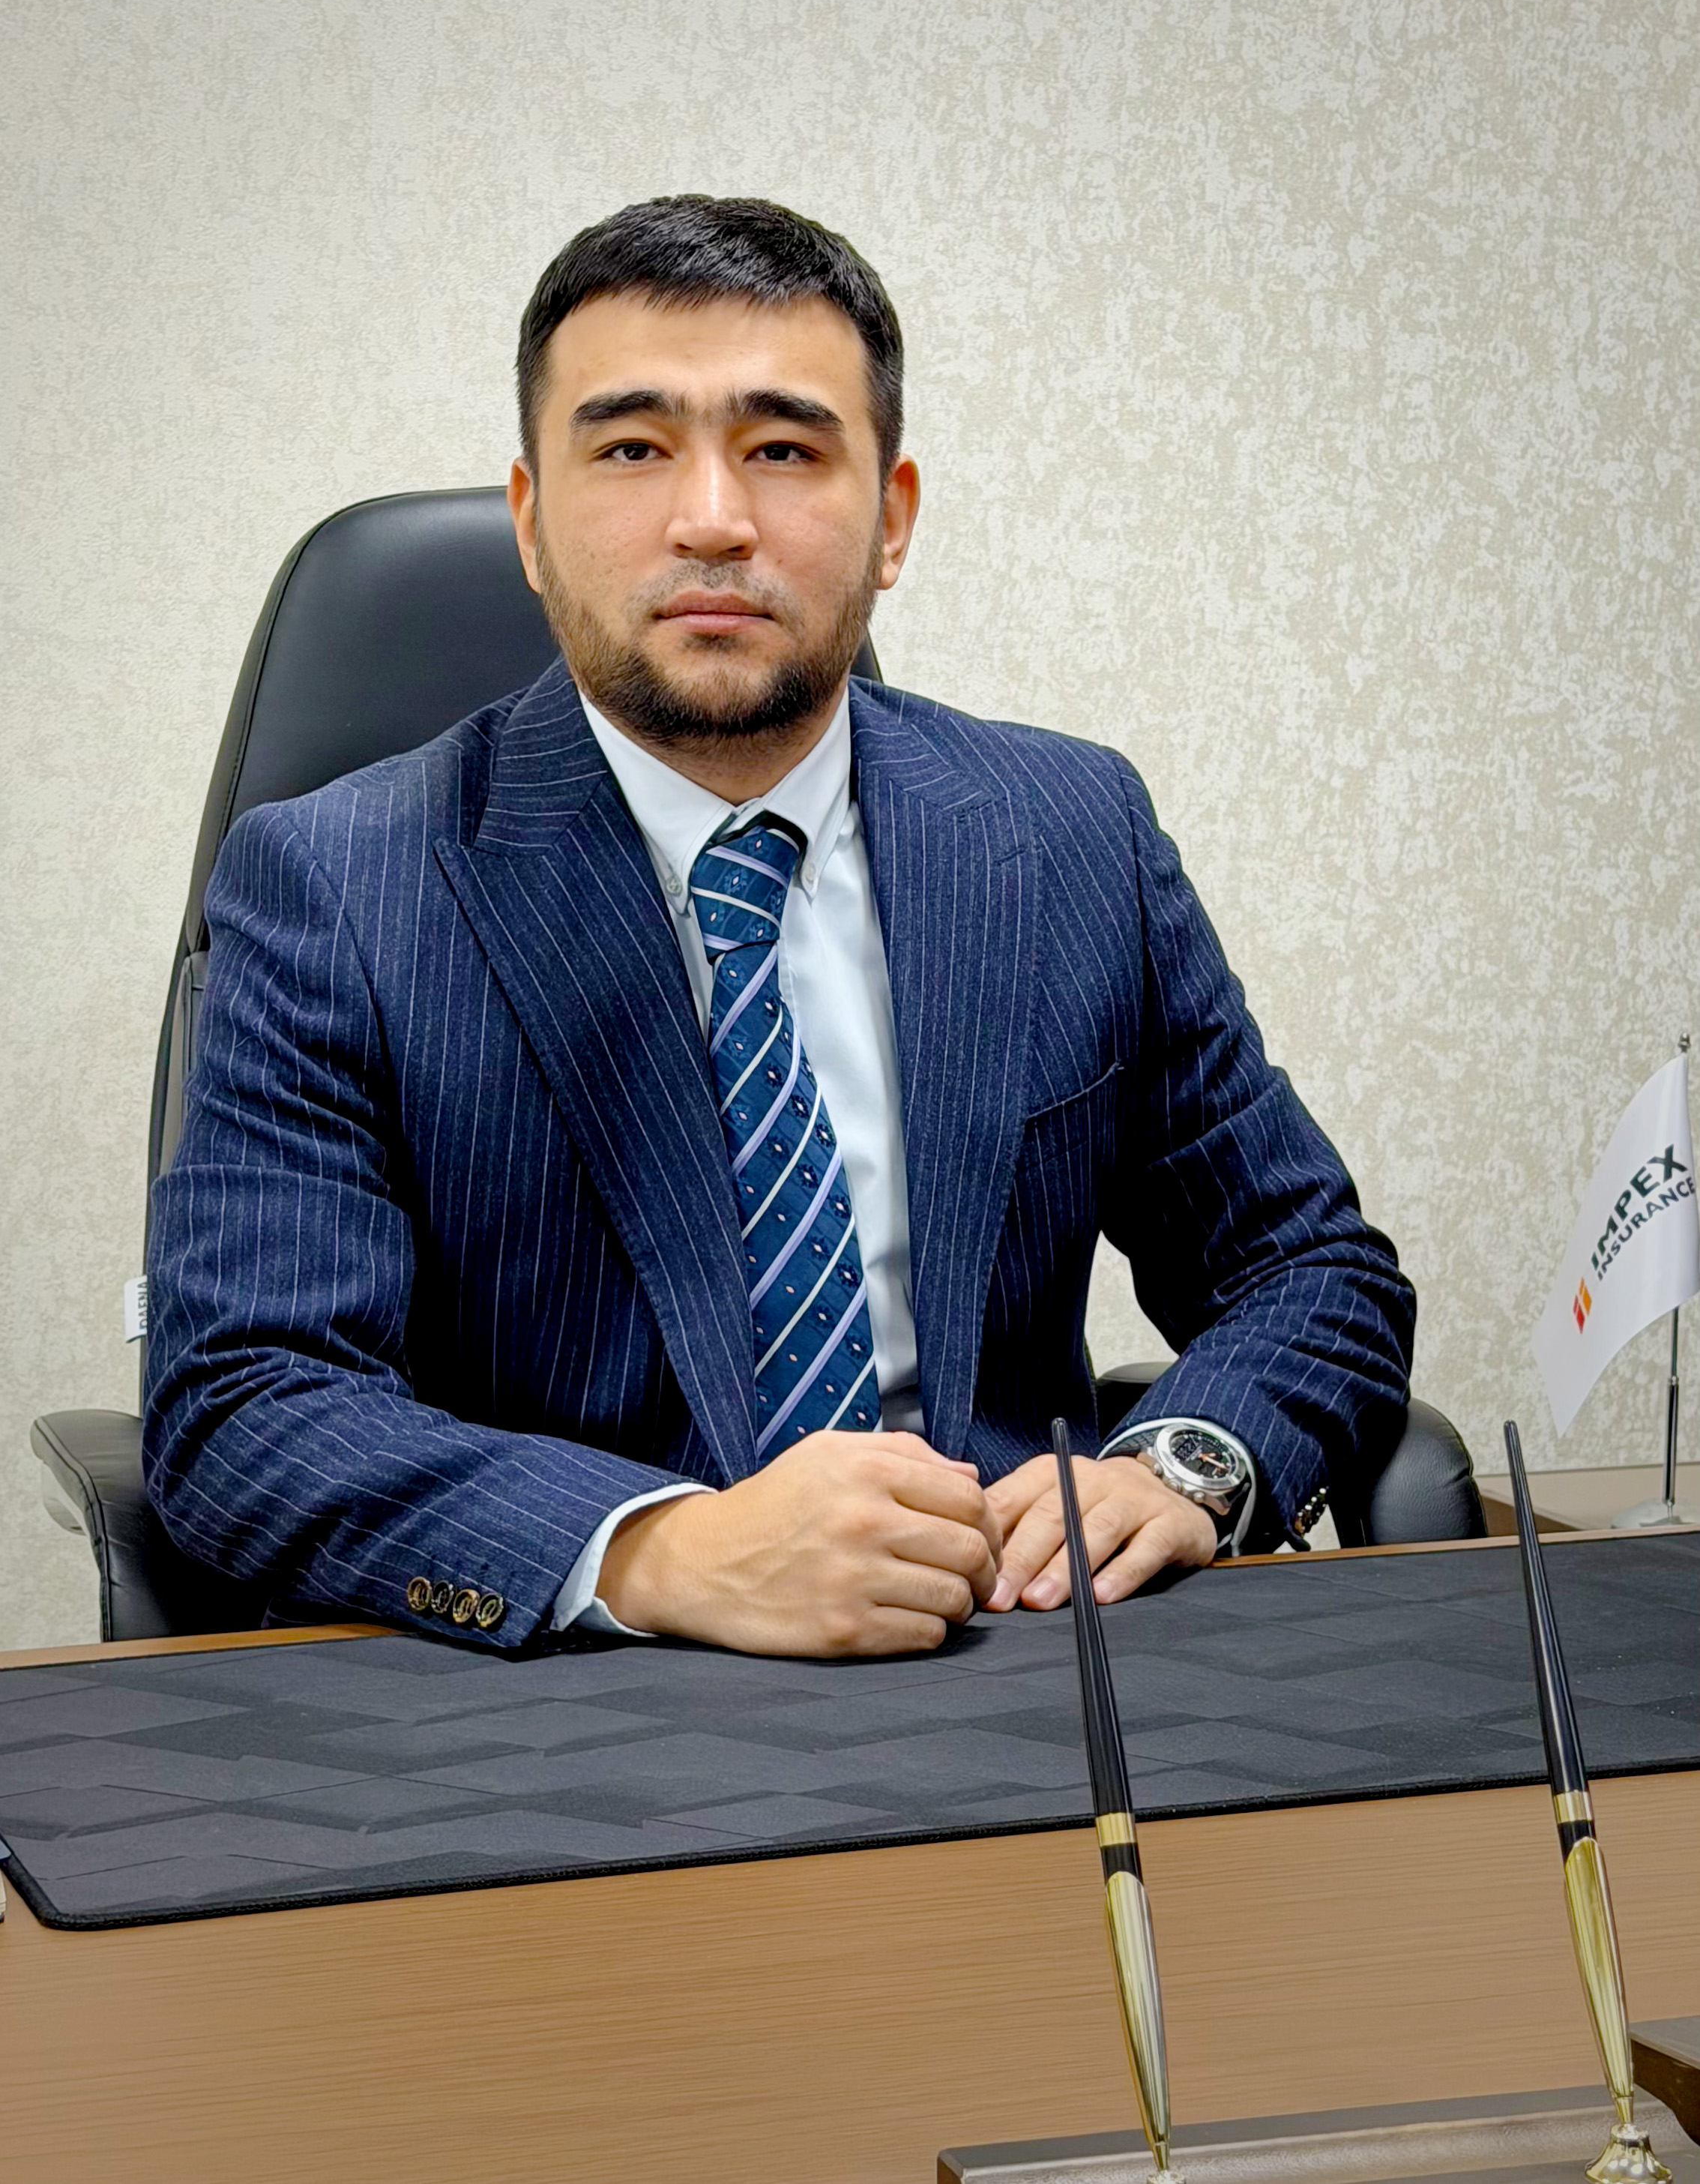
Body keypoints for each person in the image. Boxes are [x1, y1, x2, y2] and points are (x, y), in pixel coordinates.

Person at [143, 195, 1416, 1658]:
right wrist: (664, 1551)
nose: (712, 519)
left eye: (785, 449)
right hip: (572, 1700)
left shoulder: (1070, 834)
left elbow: (1310, 1269)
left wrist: (1182, 1463)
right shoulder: (338, 884)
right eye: (632, 448)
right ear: (531, 521)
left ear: (892, 518)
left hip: (1017, 1652)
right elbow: (245, 1403)